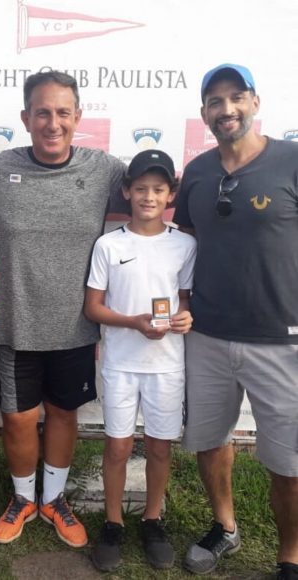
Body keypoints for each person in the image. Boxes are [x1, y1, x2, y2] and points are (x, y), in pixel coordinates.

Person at [0, 70, 127, 548]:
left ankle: (54, 499)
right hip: (15, 326)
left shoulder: (104, 170)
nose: (52, 123)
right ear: (25, 117)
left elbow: (156, 189)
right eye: (42, 113)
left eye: (62, 112)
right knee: (18, 417)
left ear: (78, 117)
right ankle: (22, 498)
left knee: (62, 413)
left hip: (76, 326)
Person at [173, 64, 298, 580]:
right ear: (204, 113)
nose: (226, 109)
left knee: (289, 462)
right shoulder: (198, 172)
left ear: (255, 102)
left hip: (283, 339)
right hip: (207, 335)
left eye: (236, 97)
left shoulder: (291, 160)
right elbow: (183, 243)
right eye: (215, 101)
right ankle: (225, 527)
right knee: (209, 439)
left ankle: (290, 556)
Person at [84, 150, 196, 572]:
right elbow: (93, 307)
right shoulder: (109, 244)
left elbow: (184, 302)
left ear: (170, 195)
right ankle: (113, 523)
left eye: (158, 189)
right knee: (117, 445)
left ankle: (152, 520)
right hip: (120, 363)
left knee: (160, 447)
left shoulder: (184, 244)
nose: (149, 196)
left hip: (166, 364)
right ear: (127, 191)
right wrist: (133, 322)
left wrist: (185, 317)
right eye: (141, 188)